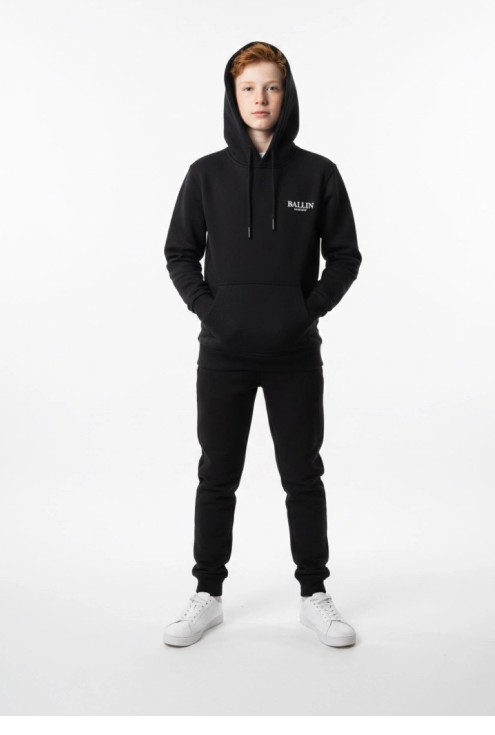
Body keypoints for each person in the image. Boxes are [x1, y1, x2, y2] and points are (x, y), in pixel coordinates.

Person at [163, 40, 362, 648]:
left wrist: (305, 311)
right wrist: (212, 312)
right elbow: (179, 253)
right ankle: (207, 594)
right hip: (223, 353)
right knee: (216, 474)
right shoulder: (205, 175)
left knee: (302, 474)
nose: (260, 98)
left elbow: (345, 257)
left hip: (294, 354)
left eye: (271, 86)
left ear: (286, 93)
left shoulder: (318, 173)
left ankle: (314, 595)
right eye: (248, 88)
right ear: (233, 96)